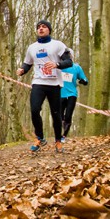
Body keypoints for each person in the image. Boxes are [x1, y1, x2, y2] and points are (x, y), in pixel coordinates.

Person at [16, 20, 73, 153]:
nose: (41, 29)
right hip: (38, 82)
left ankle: (58, 141)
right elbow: (27, 63)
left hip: (54, 84)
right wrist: (22, 70)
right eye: (38, 27)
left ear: (49, 30)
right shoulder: (32, 47)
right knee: (35, 110)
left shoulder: (57, 45)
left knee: (56, 114)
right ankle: (40, 138)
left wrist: (56, 65)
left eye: (44, 27)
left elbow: (69, 62)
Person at [59, 50, 88, 142]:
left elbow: (84, 79)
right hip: (60, 94)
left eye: (68, 55)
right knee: (59, 116)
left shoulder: (76, 67)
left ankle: (64, 136)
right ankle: (58, 134)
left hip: (72, 94)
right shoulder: (58, 67)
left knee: (68, 115)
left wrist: (83, 81)